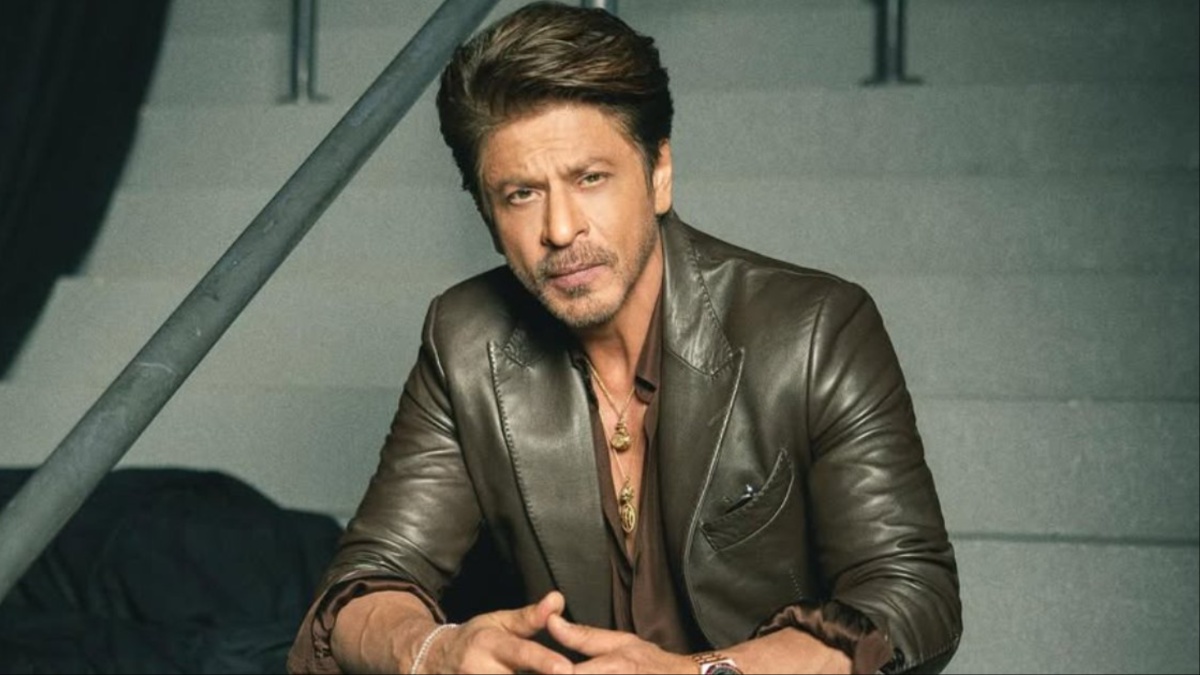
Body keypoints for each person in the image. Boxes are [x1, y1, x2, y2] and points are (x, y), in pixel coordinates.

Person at [287, 2, 961, 673]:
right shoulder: (465, 342)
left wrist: (698, 673)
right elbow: (362, 588)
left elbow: (911, 594)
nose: (560, 229)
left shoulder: (813, 330)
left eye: (590, 178)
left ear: (658, 173)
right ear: (488, 216)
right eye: (521, 194)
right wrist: (434, 651)